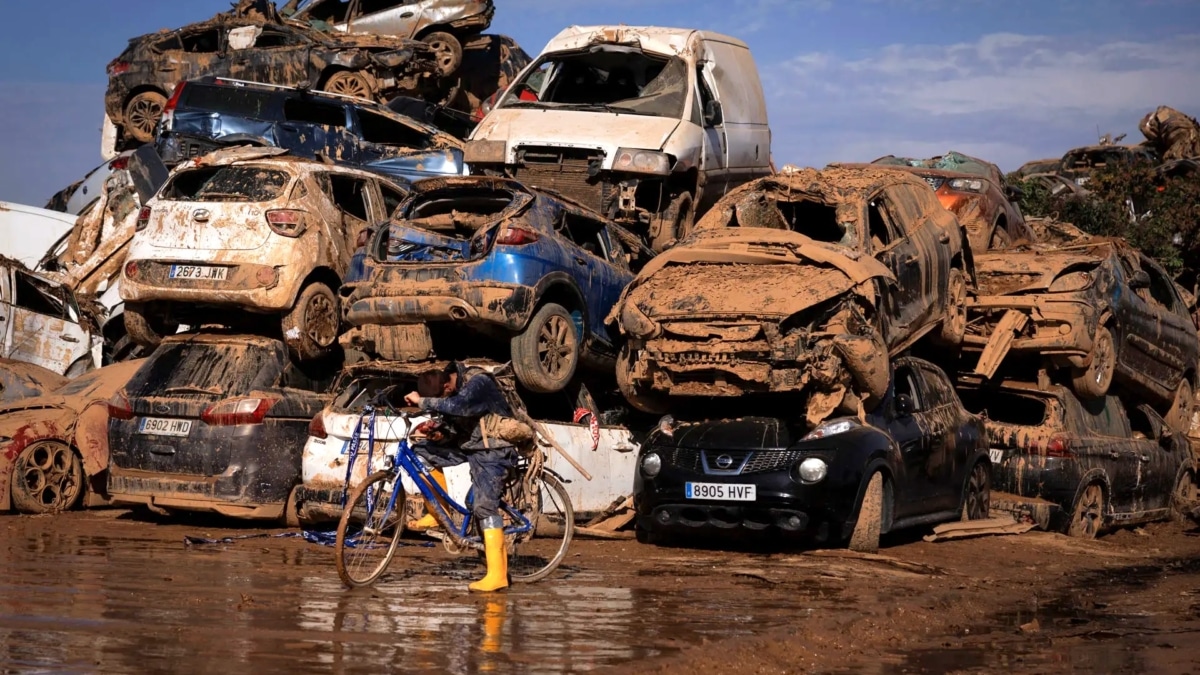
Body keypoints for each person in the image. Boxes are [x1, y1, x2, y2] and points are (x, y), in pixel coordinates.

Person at [404, 361, 518, 592]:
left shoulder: (478, 382)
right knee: (421, 451)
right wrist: (438, 432)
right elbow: (457, 423)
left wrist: (422, 401)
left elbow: (459, 406)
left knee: (483, 508)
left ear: (447, 385)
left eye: (441, 398)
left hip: (494, 450)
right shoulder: (454, 389)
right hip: (471, 444)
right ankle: (438, 511)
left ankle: (498, 576)